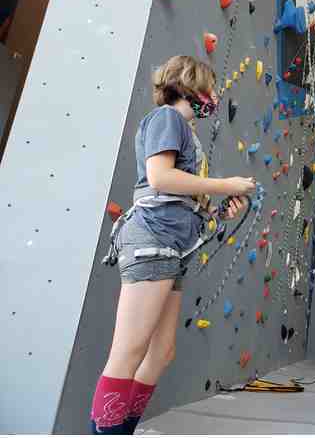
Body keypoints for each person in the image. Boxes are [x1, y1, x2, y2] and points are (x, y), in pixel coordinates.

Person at [89, 55, 257, 434]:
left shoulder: (185, 131)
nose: (214, 96)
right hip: (154, 238)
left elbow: (181, 195)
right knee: (129, 350)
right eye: (210, 88)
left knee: (161, 353)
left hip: (173, 246)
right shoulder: (167, 118)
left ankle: (122, 429)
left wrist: (219, 210)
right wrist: (226, 185)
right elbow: (161, 178)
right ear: (190, 86)